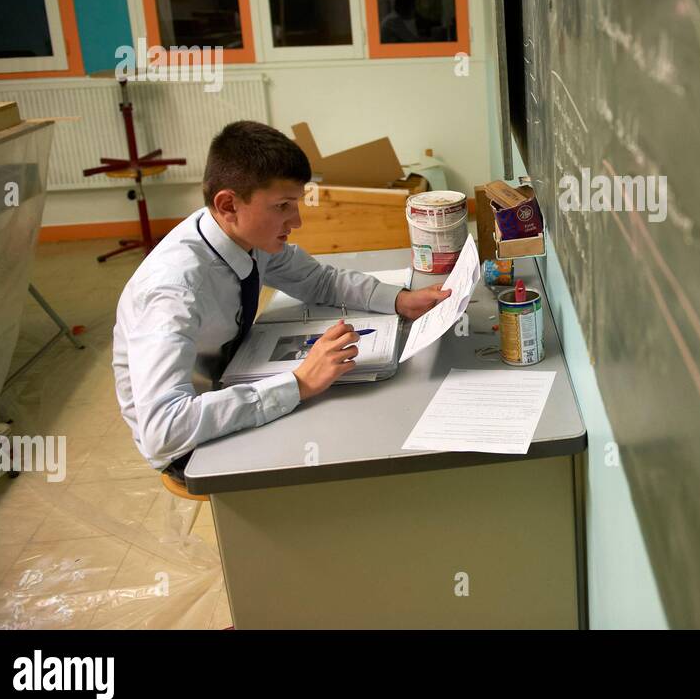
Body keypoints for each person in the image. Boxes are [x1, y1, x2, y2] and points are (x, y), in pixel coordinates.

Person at [111, 120, 451, 486]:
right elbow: (164, 431)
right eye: (283, 206)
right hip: (193, 442)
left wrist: (400, 300)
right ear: (228, 204)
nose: (298, 220)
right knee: (341, 442)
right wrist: (298, 384)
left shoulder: (242, 234)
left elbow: (318, 280)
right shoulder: (171, 291)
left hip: (236, 381)